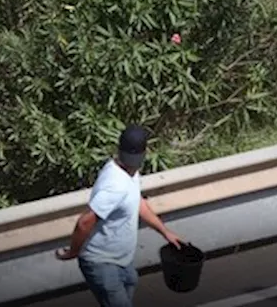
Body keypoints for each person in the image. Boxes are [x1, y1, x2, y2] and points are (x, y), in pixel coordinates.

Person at [55, 125, 185, 306]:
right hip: (101, 263)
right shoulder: (115, 185)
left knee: (130, 283)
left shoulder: (129, 171)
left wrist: (165, 232)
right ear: (145, 153)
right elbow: (85, 222)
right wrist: (73, 252)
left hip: (122, 261)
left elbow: (138, 203)